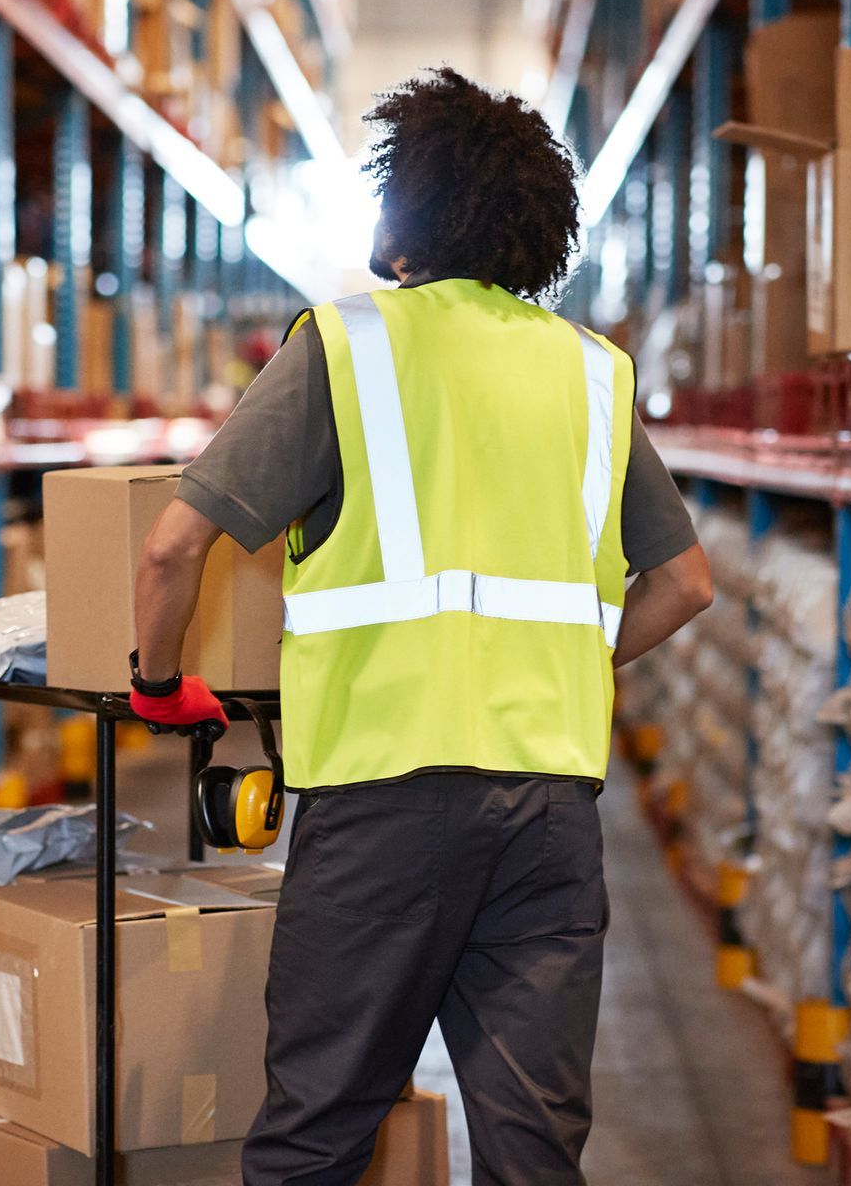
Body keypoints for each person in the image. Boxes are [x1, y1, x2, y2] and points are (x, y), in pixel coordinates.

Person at [127, 67, 713, 1186]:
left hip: (381, 805)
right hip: (547, 809)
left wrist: (160, 684)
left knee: (317, 1134)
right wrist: (571, 657)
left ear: (405, 215)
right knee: (534, 1151)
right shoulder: (592, 374)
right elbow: (685, 582)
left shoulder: (347, 349)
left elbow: (169, 548)